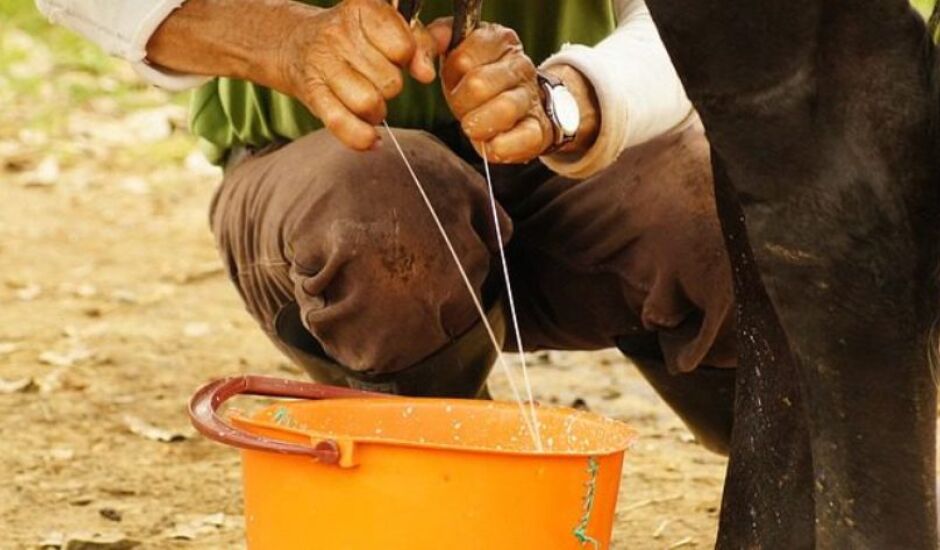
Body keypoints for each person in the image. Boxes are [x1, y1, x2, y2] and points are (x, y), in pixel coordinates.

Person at [37, 0, 737, 451]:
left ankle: (798, 483)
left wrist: (574, 98)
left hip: (557, 160)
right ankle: (437, 488)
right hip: (323, 192)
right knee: (380, 215)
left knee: (730, 214)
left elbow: (717, 25)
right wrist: (282, 40)